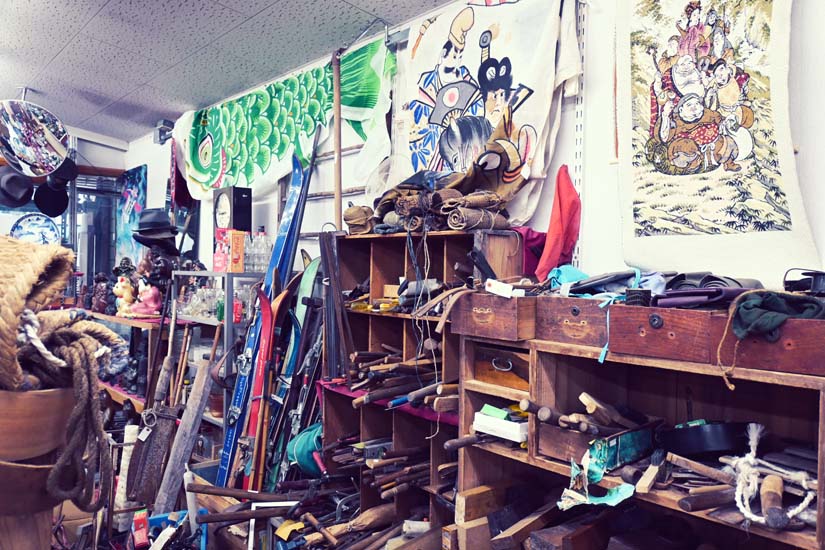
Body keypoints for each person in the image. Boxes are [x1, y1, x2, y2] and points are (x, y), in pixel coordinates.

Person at [659, 93, 740, 172]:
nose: (694, 106)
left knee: (727, 141)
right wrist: (665, 115)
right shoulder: (677, 121)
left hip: (714, 143)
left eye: (697, 103)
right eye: (689, 105)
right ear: (681, 109)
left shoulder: (707, 113)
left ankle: (729, 163)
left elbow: (719, 119)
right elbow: (665, 137)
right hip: (694, 149)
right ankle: (692, 165)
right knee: (684, 148)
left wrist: (727, 121)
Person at [705, 59, 754, 129]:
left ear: (727, 69)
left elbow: (743, 92)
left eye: (722, 70)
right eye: (716, 75)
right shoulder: (715, 87)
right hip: (724, 112)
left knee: (748, 117)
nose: (720, 76)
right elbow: (712, 105)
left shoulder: (733, 78)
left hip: (738, 108)